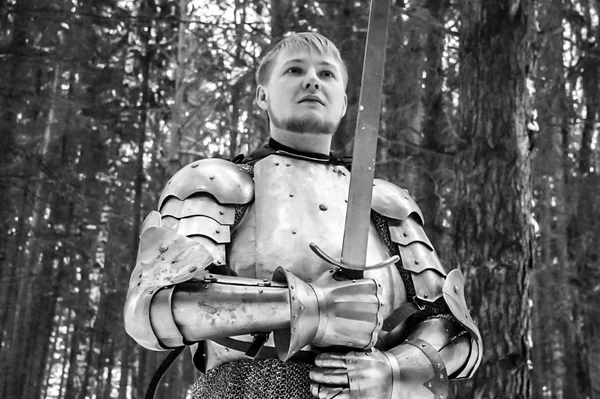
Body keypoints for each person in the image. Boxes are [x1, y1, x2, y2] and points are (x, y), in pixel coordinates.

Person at [124, 32, 482, 399]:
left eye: (327, 74)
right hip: (245, 388)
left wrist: (395, 369)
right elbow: (149, 306)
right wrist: (311, 306)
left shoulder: (387, 203)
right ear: (263, 95)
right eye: (294, 70)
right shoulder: (215, 183)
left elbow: (453, 327)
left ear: (343, 103)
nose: (312, 79)